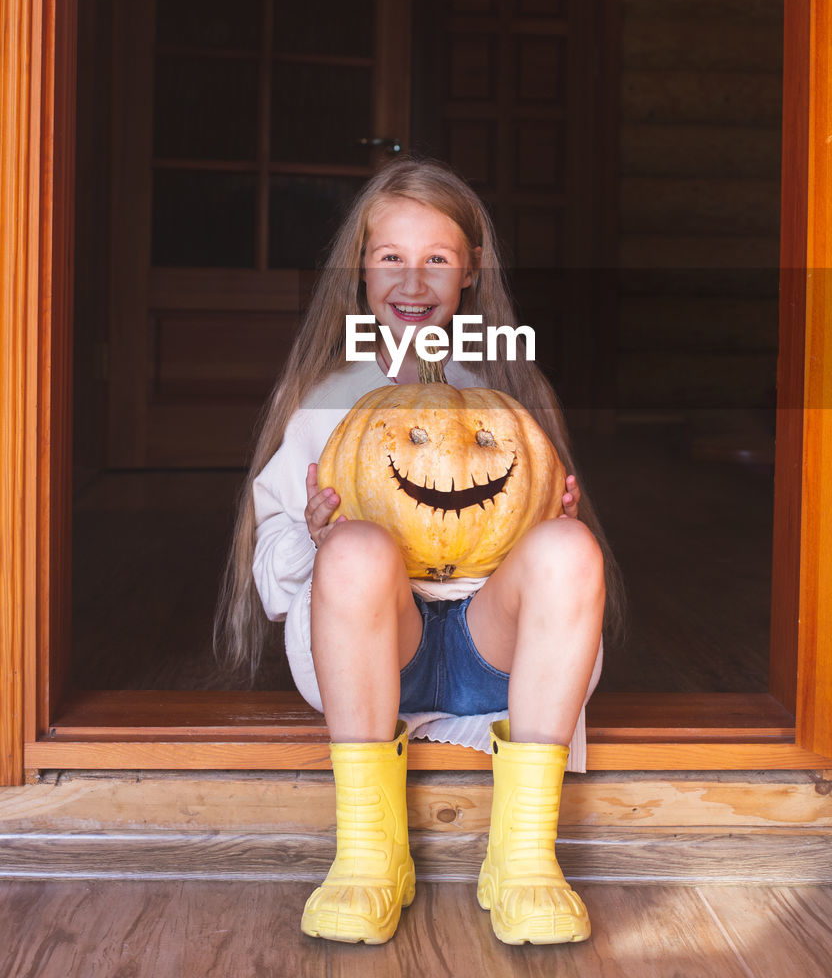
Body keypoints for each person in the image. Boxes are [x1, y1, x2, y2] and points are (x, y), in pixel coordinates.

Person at [215, 158, 623, 947]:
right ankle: (369, 857)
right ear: (358, 273)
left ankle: (524, 858)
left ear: (470, 273)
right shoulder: (329, 404)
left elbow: (545, 555)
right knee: (362, 549)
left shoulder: (507, 397)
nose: (412, 279)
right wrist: (315, 533)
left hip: (491, 649)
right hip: (377, 655)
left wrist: (549, 521)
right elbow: (271, 578)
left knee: (571, 548)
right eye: (389, 258)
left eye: (436, 258)